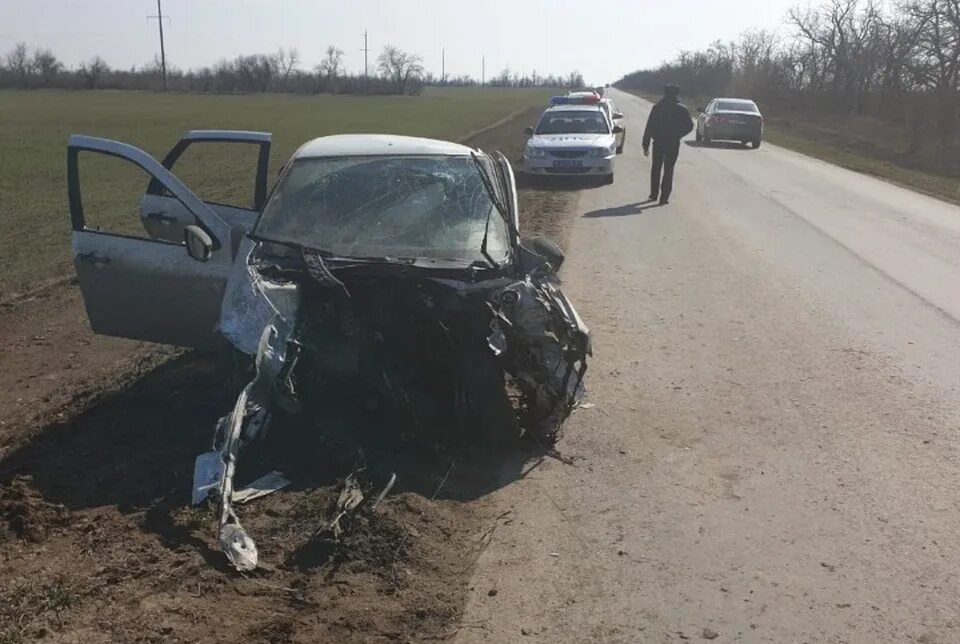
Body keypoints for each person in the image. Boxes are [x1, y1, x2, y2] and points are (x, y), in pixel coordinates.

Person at [642, 84, 694, 205]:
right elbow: (690, 126)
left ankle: (653, 194)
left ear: (665, 94)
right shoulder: (682, 109)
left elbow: (649, 126)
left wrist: (646, 144)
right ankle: (664, 198)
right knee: (669, 170)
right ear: (676, 94)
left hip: (658, 142)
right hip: (673, 143)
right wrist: (679, 134)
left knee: (656, 168)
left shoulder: (658, 107)